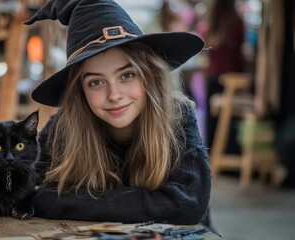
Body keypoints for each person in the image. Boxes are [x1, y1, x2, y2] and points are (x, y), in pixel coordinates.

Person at [25, 0, 211, 225]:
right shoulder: (65, 126)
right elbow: (21, 187)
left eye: (127, 75)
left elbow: (188, 204)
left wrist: (57, 202)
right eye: (95, 82)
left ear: (148, 75)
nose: (114, 95)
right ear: (80, 91)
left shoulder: (177, 116)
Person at [204, 0, 245, 152]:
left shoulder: (211, 23)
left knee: (214, 123)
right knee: (231, 125)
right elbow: (239, 54)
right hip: (233, 80)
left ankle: (213, 153)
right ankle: (231, 156)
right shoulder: (236, 21)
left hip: (215, 78)